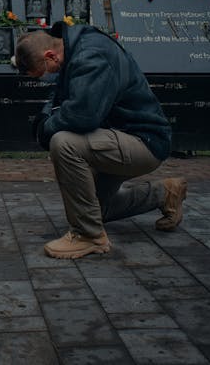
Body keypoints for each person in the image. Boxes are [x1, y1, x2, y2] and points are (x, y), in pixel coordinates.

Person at [13, 22, 182, 259]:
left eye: (45, 72)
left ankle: (88, 236)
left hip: (144, 141)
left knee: (64, 143)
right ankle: (164, 194)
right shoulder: (72, 49)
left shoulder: (90, 56)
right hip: (118, 137)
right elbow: (58, 100)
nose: (48, 77)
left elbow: (81, 116)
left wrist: (46, 130)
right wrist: (44, 120)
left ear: (50, 55)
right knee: (96, 209)